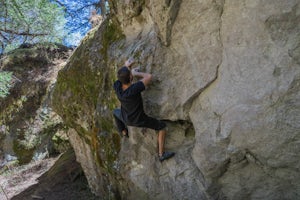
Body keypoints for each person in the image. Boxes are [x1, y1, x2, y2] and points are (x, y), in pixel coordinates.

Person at [113, 58, 175, 162]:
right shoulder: (134, 89)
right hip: (139, 120)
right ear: (131, 77)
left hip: (124, 117)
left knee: (115, 112)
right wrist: (136, 73)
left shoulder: (118, 87)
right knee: (162, 127)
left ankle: (123, 131)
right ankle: (161, 154)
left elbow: (122, 77)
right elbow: (148, 77)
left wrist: (127, 66)